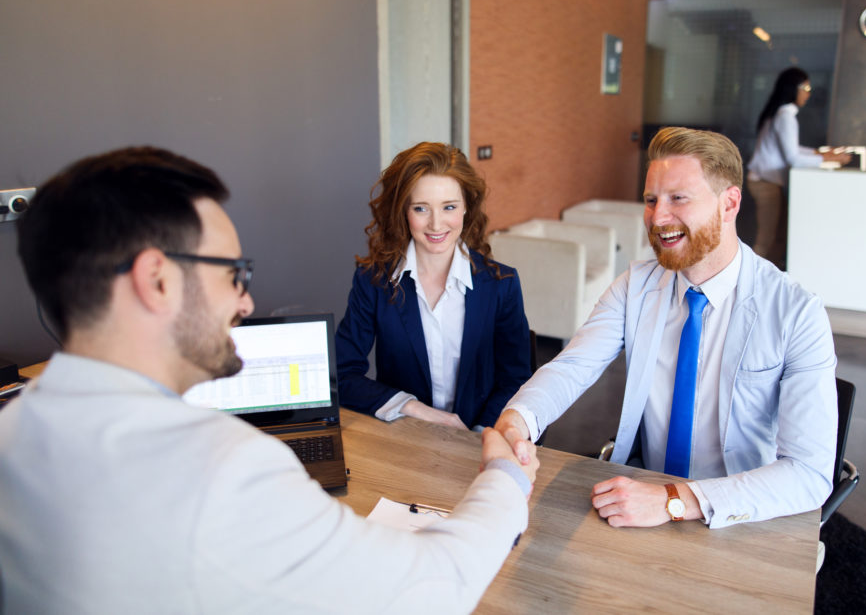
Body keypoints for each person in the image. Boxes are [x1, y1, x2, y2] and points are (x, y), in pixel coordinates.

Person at [0, 147, 538, 613]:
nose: (246, 301)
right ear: (157, 281)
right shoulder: (228, 469)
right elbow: (432, 589)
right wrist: (505, 479)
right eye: (233, 273)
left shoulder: (13, 426)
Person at [495, 127, 838, 530]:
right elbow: (572, 367)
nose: (658, 218)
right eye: (651, 200)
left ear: (729, 204)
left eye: (678, 199)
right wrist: (517, 420)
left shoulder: (797, 312)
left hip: (740, 512)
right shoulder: (635, 286)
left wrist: (674, 501)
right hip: (645, 495)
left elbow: (809, 473)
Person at [335, 142, 531, 430]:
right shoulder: (374, 281)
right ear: (403, 211)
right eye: (421, 208)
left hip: (481, 441)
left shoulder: (502, 285)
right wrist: (412, 407)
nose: (436, 224)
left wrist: (479, 436)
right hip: (405, 441)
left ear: (466, 207)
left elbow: (516, 380)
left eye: (449, 207)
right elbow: (342, 372)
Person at [746, 67, 851, 269]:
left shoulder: (780, 113)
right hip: (765, 183)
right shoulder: (785, 116)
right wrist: (828, 159)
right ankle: (747, 286)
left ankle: (769, 284)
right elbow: (793, 157)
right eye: (806, 87)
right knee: (766, 239)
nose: (808, 93)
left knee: (777, 236)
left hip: (766, 181)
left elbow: (793, 149)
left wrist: (822, 154)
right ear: (793, 88)